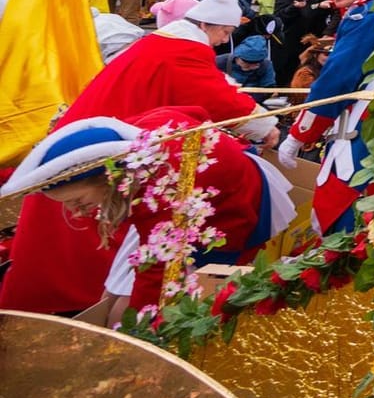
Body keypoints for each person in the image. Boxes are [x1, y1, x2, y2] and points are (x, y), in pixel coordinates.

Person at [0, 0, 279, 314]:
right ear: (204, 26)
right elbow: (216, 100)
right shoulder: (179, 53)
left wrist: (139, 333)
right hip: (112, 158)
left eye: (228, 34)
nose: (222, 42)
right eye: (224, 33)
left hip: (205, 197)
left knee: (124, 274)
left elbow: (159, 262)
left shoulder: (151, 178)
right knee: (99, 263)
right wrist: (266, 126)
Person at [0, 111, 293, 320]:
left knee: (153, 305)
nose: (76, 213)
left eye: (77, 200)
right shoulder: (130, 151)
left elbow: (157, 277)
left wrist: (137, 338)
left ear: (108, 180)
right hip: (175, 204)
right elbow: (191, 111)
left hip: (226, 212)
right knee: (114, 294)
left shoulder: (161, 191)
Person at [279, 0, 374, 233]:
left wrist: (299, 134)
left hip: (364, 125)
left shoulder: (367, 14)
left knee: (344, 207)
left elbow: (337, 78)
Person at [271, 0, 328, 83]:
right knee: (289, 65)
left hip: (314, 35)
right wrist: (293, 8)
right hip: (292, 37)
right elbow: (278, 15)